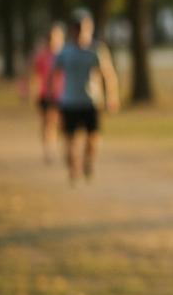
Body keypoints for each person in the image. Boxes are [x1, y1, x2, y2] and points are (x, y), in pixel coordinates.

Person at [51, 10, 120, 184]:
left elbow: (108, 75)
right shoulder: (65, 51)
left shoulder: (96, 50)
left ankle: (88, 162)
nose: (80, 31)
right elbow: (53, 73)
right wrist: (53, 95)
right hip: (69, 101)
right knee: (69, 138)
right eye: (77, 28)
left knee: (93, 137)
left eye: (84, 27)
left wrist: (111, 97)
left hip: (91, 101)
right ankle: (73, 167)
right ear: (72, 30)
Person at [22, 22, 66, 162]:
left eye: (56, 37)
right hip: (45, 94)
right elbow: (32, 73)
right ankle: (49, 149)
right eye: (50, 38)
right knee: (47, 122)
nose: (53, 40)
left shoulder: (65, 54)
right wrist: (29, 90)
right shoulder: (41, 55)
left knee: (61, 123)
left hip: (62, 94)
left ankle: (61, 146)